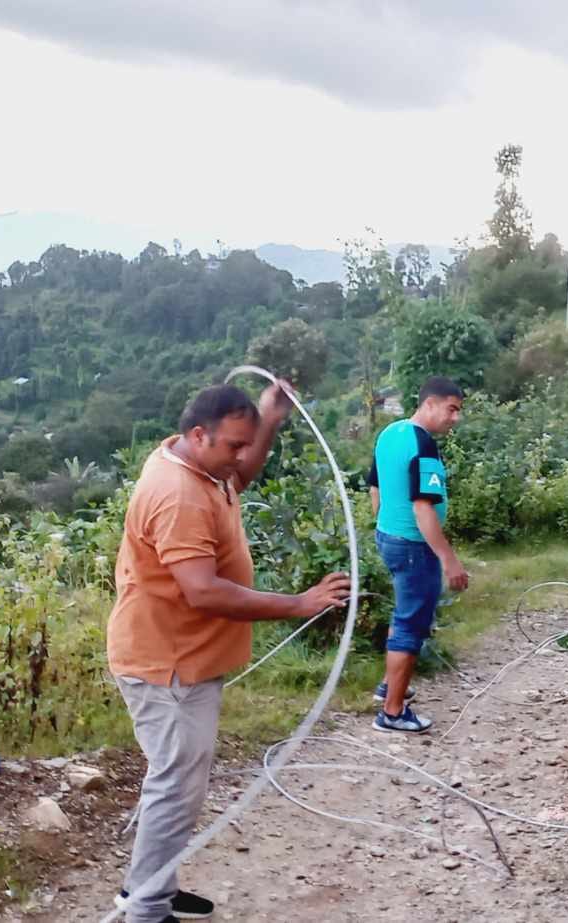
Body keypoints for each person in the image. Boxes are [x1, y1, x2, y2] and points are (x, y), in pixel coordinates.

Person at [108, 383, 352, 923]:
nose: (242, 458)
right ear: (200, 435)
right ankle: (146, 910)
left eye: (247, 444)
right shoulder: (177, 493)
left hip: (187, 658)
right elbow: (202, 590)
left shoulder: (203, 467)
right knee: (175, 786)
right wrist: (299, 604)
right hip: (166, 665)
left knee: (181, 782)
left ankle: (152, 886)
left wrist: (268, 419)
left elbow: (239, 477)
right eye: (234, 446)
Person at [370, 376, 469, 733]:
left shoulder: (389, 433)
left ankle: (389, 685)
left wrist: (384, 526)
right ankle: (392, 712)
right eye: (451, 409)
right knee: (411, 624)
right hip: (414, 546)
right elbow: (423, 507)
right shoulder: (422, 443)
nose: (455, 418)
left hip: (389, 538)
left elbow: (375, 487)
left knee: (404, 613)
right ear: (429, 404)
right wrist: (449, 560)